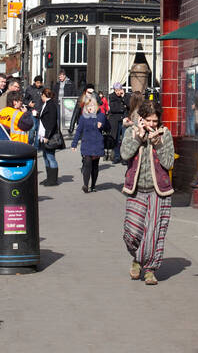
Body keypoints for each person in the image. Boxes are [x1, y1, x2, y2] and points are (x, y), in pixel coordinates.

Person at [120, 99, 175, 285]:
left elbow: (169, 162)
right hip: (136, 190)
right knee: (132, 232)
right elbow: (125, 154)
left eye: (155, 121)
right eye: (149, 120)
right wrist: (138, 137)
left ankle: (150, 269)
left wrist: (158, 143)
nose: (152, 124)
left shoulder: (164, 134)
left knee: (153, 232)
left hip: (158, 191)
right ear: (141, 118)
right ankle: (137, 257)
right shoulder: (131, 131)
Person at [71, 97, 107, 193]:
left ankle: (93, 185)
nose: (90, 108)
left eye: (92, 106)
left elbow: (107, 127)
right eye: (88, 106)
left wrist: (102, 125)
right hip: (86, 144)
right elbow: (79, 131)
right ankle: (85, 185)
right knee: (87, 164)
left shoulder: (101, 116)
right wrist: (74, 144)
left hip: (97, 144)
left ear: (96, 106)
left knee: (95, 166)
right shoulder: (83, 117)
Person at [37, 86, 62, 185]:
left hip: (49, 135)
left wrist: (47, 136)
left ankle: (53, 180)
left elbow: (51, 122)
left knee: (50, 156)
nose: (41, 98)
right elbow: (45, 117)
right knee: (45, 156)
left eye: (41, 96)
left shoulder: (51, 105)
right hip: (43, 134)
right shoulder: (46, 104)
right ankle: (49, 178)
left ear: (44, 95)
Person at [108, 83, 128, 162]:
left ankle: (124, 157)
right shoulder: (111, 96)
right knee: (115, 138)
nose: (118, 92)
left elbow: (129, 105)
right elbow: (113, 108)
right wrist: (123, 108)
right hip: (115, 120)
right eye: (116, 90)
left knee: (124, 139)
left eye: (119, 90)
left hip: (124, 119)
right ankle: (117, 156)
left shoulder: (125, 96)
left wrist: (123, 97)